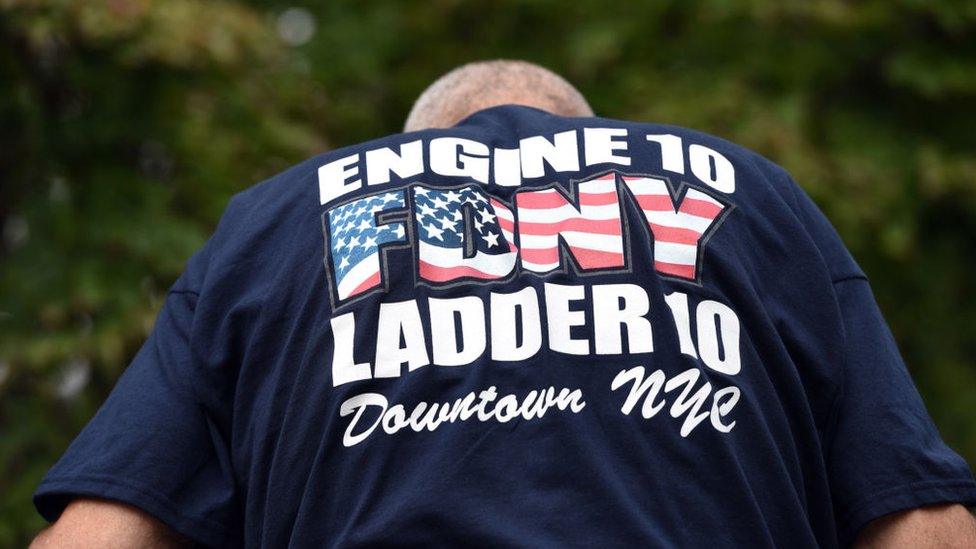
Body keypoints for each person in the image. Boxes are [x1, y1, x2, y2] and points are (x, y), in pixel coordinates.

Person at [31, 60, 976, 548]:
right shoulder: (752, 196)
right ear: (598, 136)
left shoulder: (280, 223)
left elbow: (105, 535)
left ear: (411, 151)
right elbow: (916, 517)